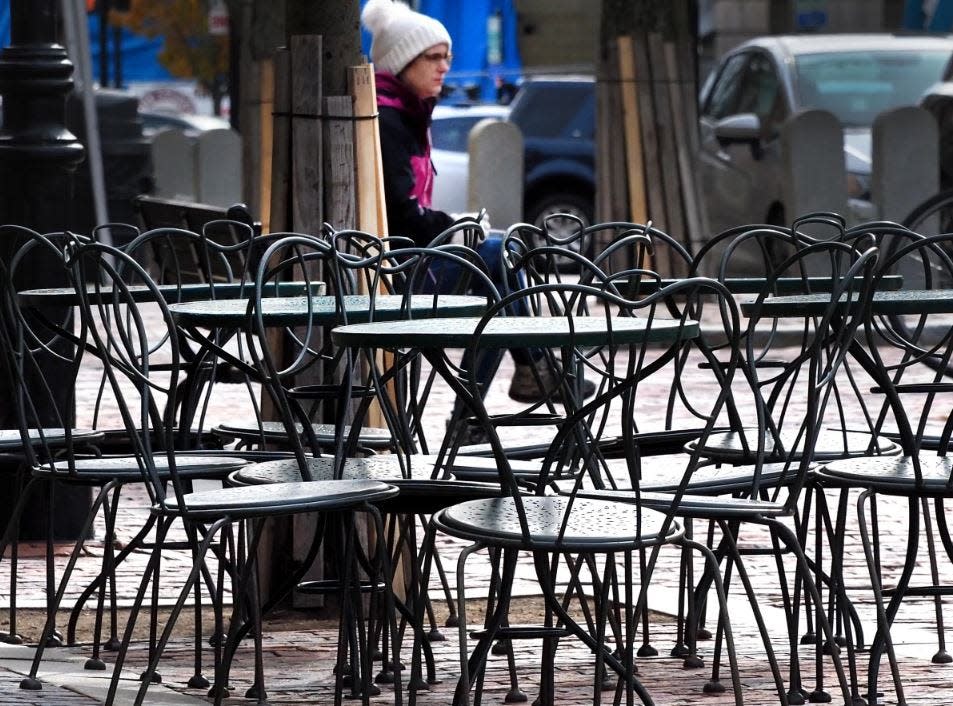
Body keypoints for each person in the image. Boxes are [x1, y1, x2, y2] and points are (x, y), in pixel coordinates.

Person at [361, 0, 594, 406]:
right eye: (433, 57)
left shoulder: (409, 115)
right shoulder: (389, 122)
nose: (444, 66)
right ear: (402, 61)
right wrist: (459, 226)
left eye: (447, 57)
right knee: (499, 255)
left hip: (412, 263)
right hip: (394, 273)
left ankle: (501, 394)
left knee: (501, 275)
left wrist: (459, 227)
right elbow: (402, 216)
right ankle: (524, 374)